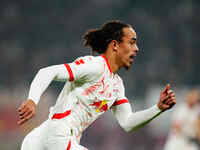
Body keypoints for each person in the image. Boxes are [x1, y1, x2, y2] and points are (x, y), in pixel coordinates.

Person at [17, 20, 176, 150]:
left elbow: (127, 122)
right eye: (132, 43)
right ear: (115, 45)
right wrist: (32, 100)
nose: (136, 49)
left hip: (46, 139)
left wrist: (158, 109)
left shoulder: (117, 86)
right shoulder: (95, 66)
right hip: (56, 133)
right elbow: (47, 72)